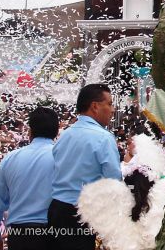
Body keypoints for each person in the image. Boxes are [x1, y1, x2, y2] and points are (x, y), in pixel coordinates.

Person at [48, 84, 122, 250]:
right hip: (81, 213)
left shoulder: (65, 135)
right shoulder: (103, 138)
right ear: (95, 106)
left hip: (56, 209)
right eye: (109, 104)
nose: (113, 110)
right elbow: (114, 182)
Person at [0, 107, 59, 250]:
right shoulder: (63, 158)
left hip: (21, 235)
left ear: (30, 131)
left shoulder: (10, 159)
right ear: (56, 132)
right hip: (57, 233)